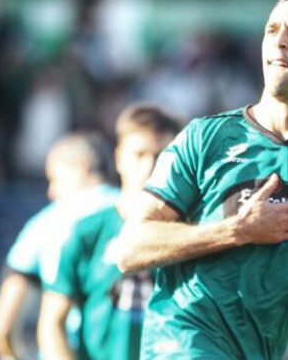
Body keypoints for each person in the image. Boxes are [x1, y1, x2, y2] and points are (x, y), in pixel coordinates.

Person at [117, 0, 288, 359]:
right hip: (181, 342)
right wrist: (237, 230)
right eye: (271, 30)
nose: (279, 41)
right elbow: (130, 247)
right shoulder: (205, 137)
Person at [37, 105, 181, 360]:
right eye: (138, 154)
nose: (148, 166)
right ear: (118, 158)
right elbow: (51, 325)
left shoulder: (191, 234)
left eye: (160, 155)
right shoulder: (87, 232)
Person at [0, 133, 119, 359]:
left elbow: (3, 325)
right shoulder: (138, 211)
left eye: (54, 179)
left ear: (82, 168)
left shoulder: (47, 222)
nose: (51, 191)